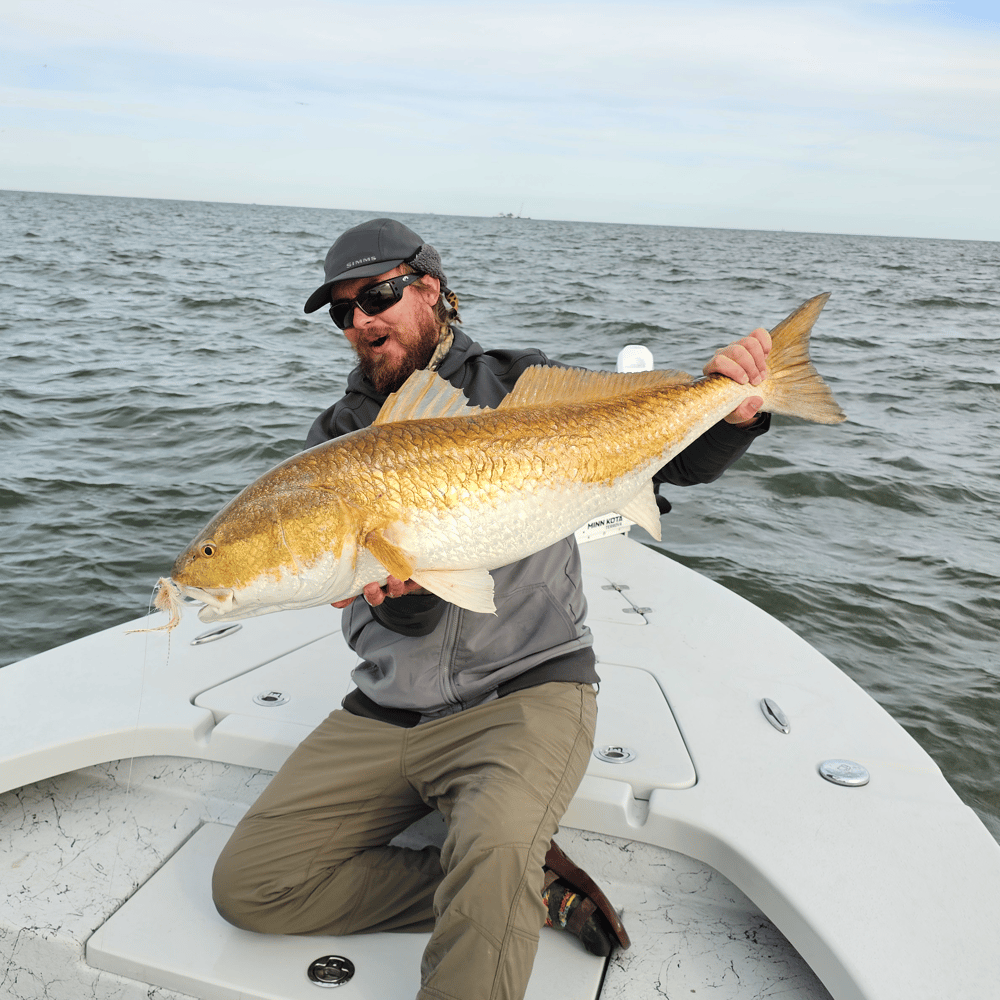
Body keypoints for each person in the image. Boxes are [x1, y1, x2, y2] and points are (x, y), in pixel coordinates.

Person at [211, 218, 772, 1000]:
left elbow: (670, 463)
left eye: (377, 296)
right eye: (344, 313)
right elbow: (377, 608)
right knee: (252, 887)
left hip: (526, 692)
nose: (363, 322)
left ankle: (495, 874)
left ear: (430, 290)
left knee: (492, 865)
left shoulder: (517, 385)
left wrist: (734, 409)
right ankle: (515, 885)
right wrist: (403, 607)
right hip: (388, 710)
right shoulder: (337, 440)